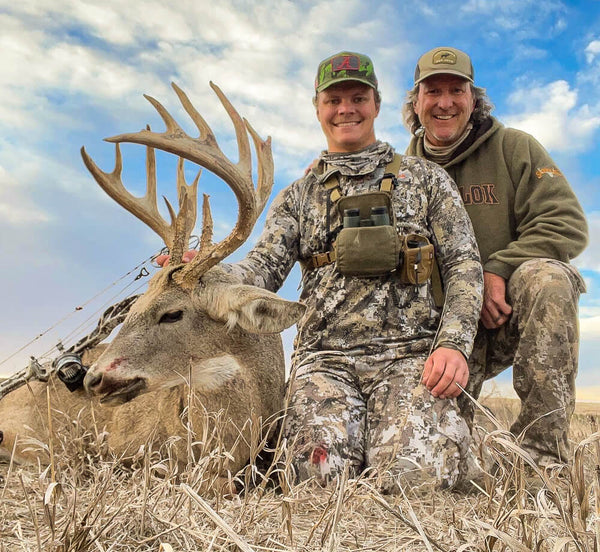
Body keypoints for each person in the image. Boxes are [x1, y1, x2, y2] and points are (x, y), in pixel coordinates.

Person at [221, 51, 484, 490]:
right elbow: (261, 271)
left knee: (418, 479)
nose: (346, 109)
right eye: (334, 99)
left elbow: (464, 266)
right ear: (318, 107)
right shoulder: (297, 197)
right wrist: (209, 272)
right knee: (315, 479)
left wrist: (453, 346)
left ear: (376, 104)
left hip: (410, 360)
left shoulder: (427, 179)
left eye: (358, 97)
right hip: (324, 363)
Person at [402, 46, 588, 467]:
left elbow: (566, 224)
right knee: (432, 462)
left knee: (549, 280)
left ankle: (541, 456)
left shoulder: (515, 148)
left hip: (500, 315)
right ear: (416, 102)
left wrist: (497, 269)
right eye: (433, 91)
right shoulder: (398, 172)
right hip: (440, 334)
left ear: (474, 98)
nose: (445, 102)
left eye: (457, 90)